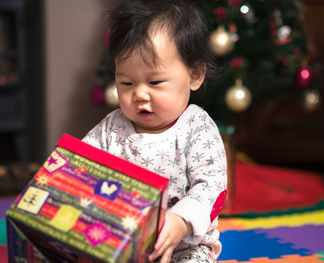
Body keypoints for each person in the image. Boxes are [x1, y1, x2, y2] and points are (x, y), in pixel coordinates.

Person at [83, 0, 227, 262]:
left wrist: (181, 221)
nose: (138, 94)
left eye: (155, 82)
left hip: (185, 245)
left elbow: (211, 186)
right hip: (121, 245)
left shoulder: (196, 127)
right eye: (126, 82)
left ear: (195, 75)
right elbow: (81, 167)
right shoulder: (111, 127)